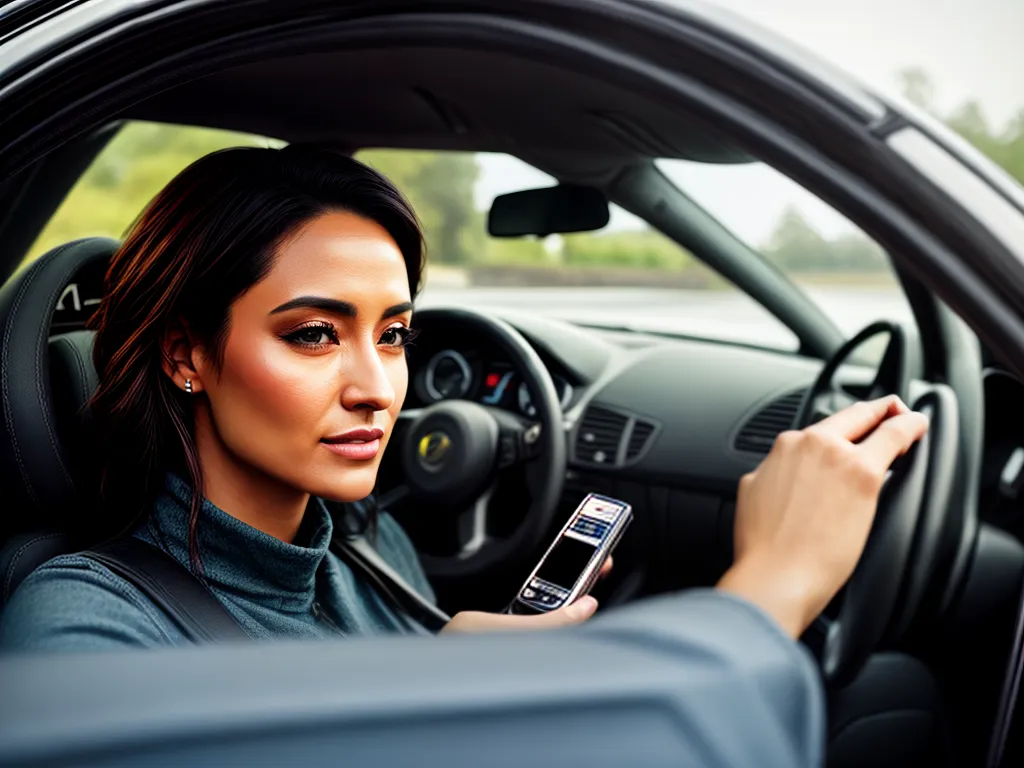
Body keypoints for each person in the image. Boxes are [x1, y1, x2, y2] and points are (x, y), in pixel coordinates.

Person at [0, 144, 926, 707]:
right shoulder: (83, 620)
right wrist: (775, 586)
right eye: (315, 335)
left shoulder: (370, 542)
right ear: (183, 355)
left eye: (394, 334)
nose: (378, 388)